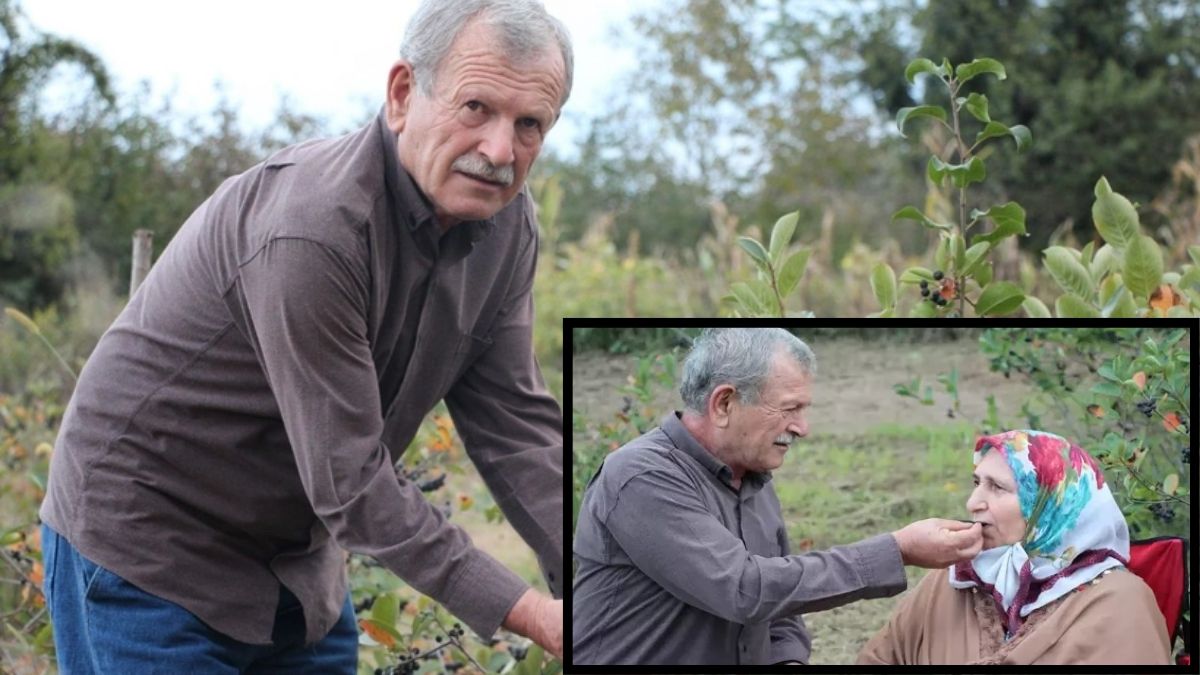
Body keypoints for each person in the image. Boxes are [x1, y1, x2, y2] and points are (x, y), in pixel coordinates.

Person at [38, 1, 567, 671]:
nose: (500, 150)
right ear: (404, 94)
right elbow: (352, 482)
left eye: (529, 125)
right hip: (148, 551)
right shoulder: (314, 229)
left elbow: (520, 431)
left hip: (295, 567)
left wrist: (607, 583)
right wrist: (531, 611)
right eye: (476, 109)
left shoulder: (509, 231)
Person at [571, 327, 985, 665]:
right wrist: (898, 550)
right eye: (790, 408)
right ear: (724, 403)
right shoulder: (642, 477)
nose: (803, 427)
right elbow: (745, 590)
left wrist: (787, 661)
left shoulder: (751, 477)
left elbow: (779, 606)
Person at [857, 429, 1172, 665]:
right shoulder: (954, 579)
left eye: (996, 487)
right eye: (976, 483)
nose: (973, 503)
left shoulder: (1119, 603)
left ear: (1050, 505)